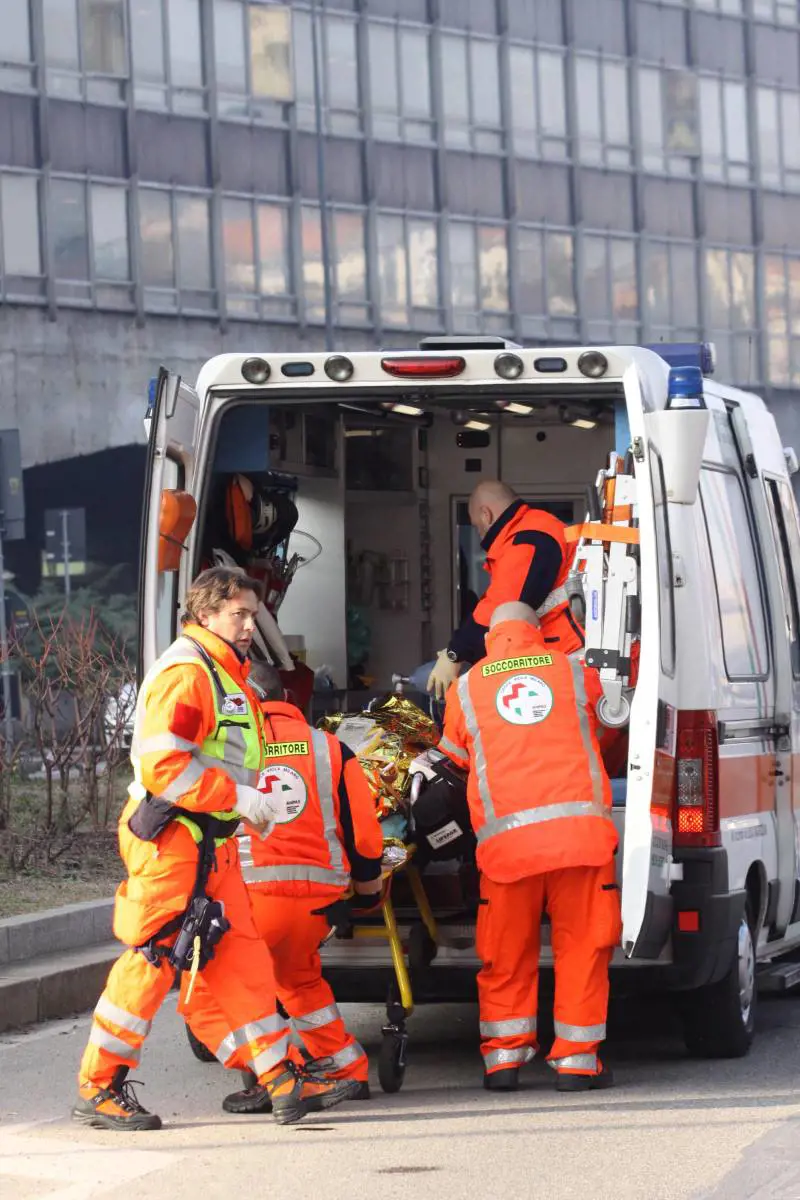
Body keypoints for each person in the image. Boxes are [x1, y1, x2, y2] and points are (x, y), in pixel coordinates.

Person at [73, 566, 357, 1130]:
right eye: (240, 614)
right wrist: (241, 798)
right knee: (152, 960)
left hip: (209, 842)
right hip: (174, 840)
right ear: (206, 615)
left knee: (244, 961)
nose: (251, 625)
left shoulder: (221, 671)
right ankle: (99, 1086)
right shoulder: (189, 673)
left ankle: (279, 1077)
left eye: (254, 614)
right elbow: (164, 766)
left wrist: (242, 808)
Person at [185, 662, 385, 1114]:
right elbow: (364, 834)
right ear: (288, 699)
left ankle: (282, 1074)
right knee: (298, 981)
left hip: (250, 899)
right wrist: (369, 891)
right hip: (317, 903)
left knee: (202, 1001)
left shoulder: (227, 752)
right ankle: (345, 1069)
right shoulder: (330, 749)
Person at [438, 601, 621, 1093]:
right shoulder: (574, 671)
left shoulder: (467, 688)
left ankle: (503, 1061)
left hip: (507, 848)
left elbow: (453, 760)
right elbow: (607, 730)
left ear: (491, 637)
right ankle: (578, 1064)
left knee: (506, 953)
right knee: (583, 948)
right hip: (580, 841)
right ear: (538, 632)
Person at [427, 481, 583, 700]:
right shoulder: (531, 530)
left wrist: (455, 653)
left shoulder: (527, 538)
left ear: (486, 515)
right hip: (563, 655)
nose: (479, 534)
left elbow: (503, 609)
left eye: (475, 525)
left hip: (571, 657)